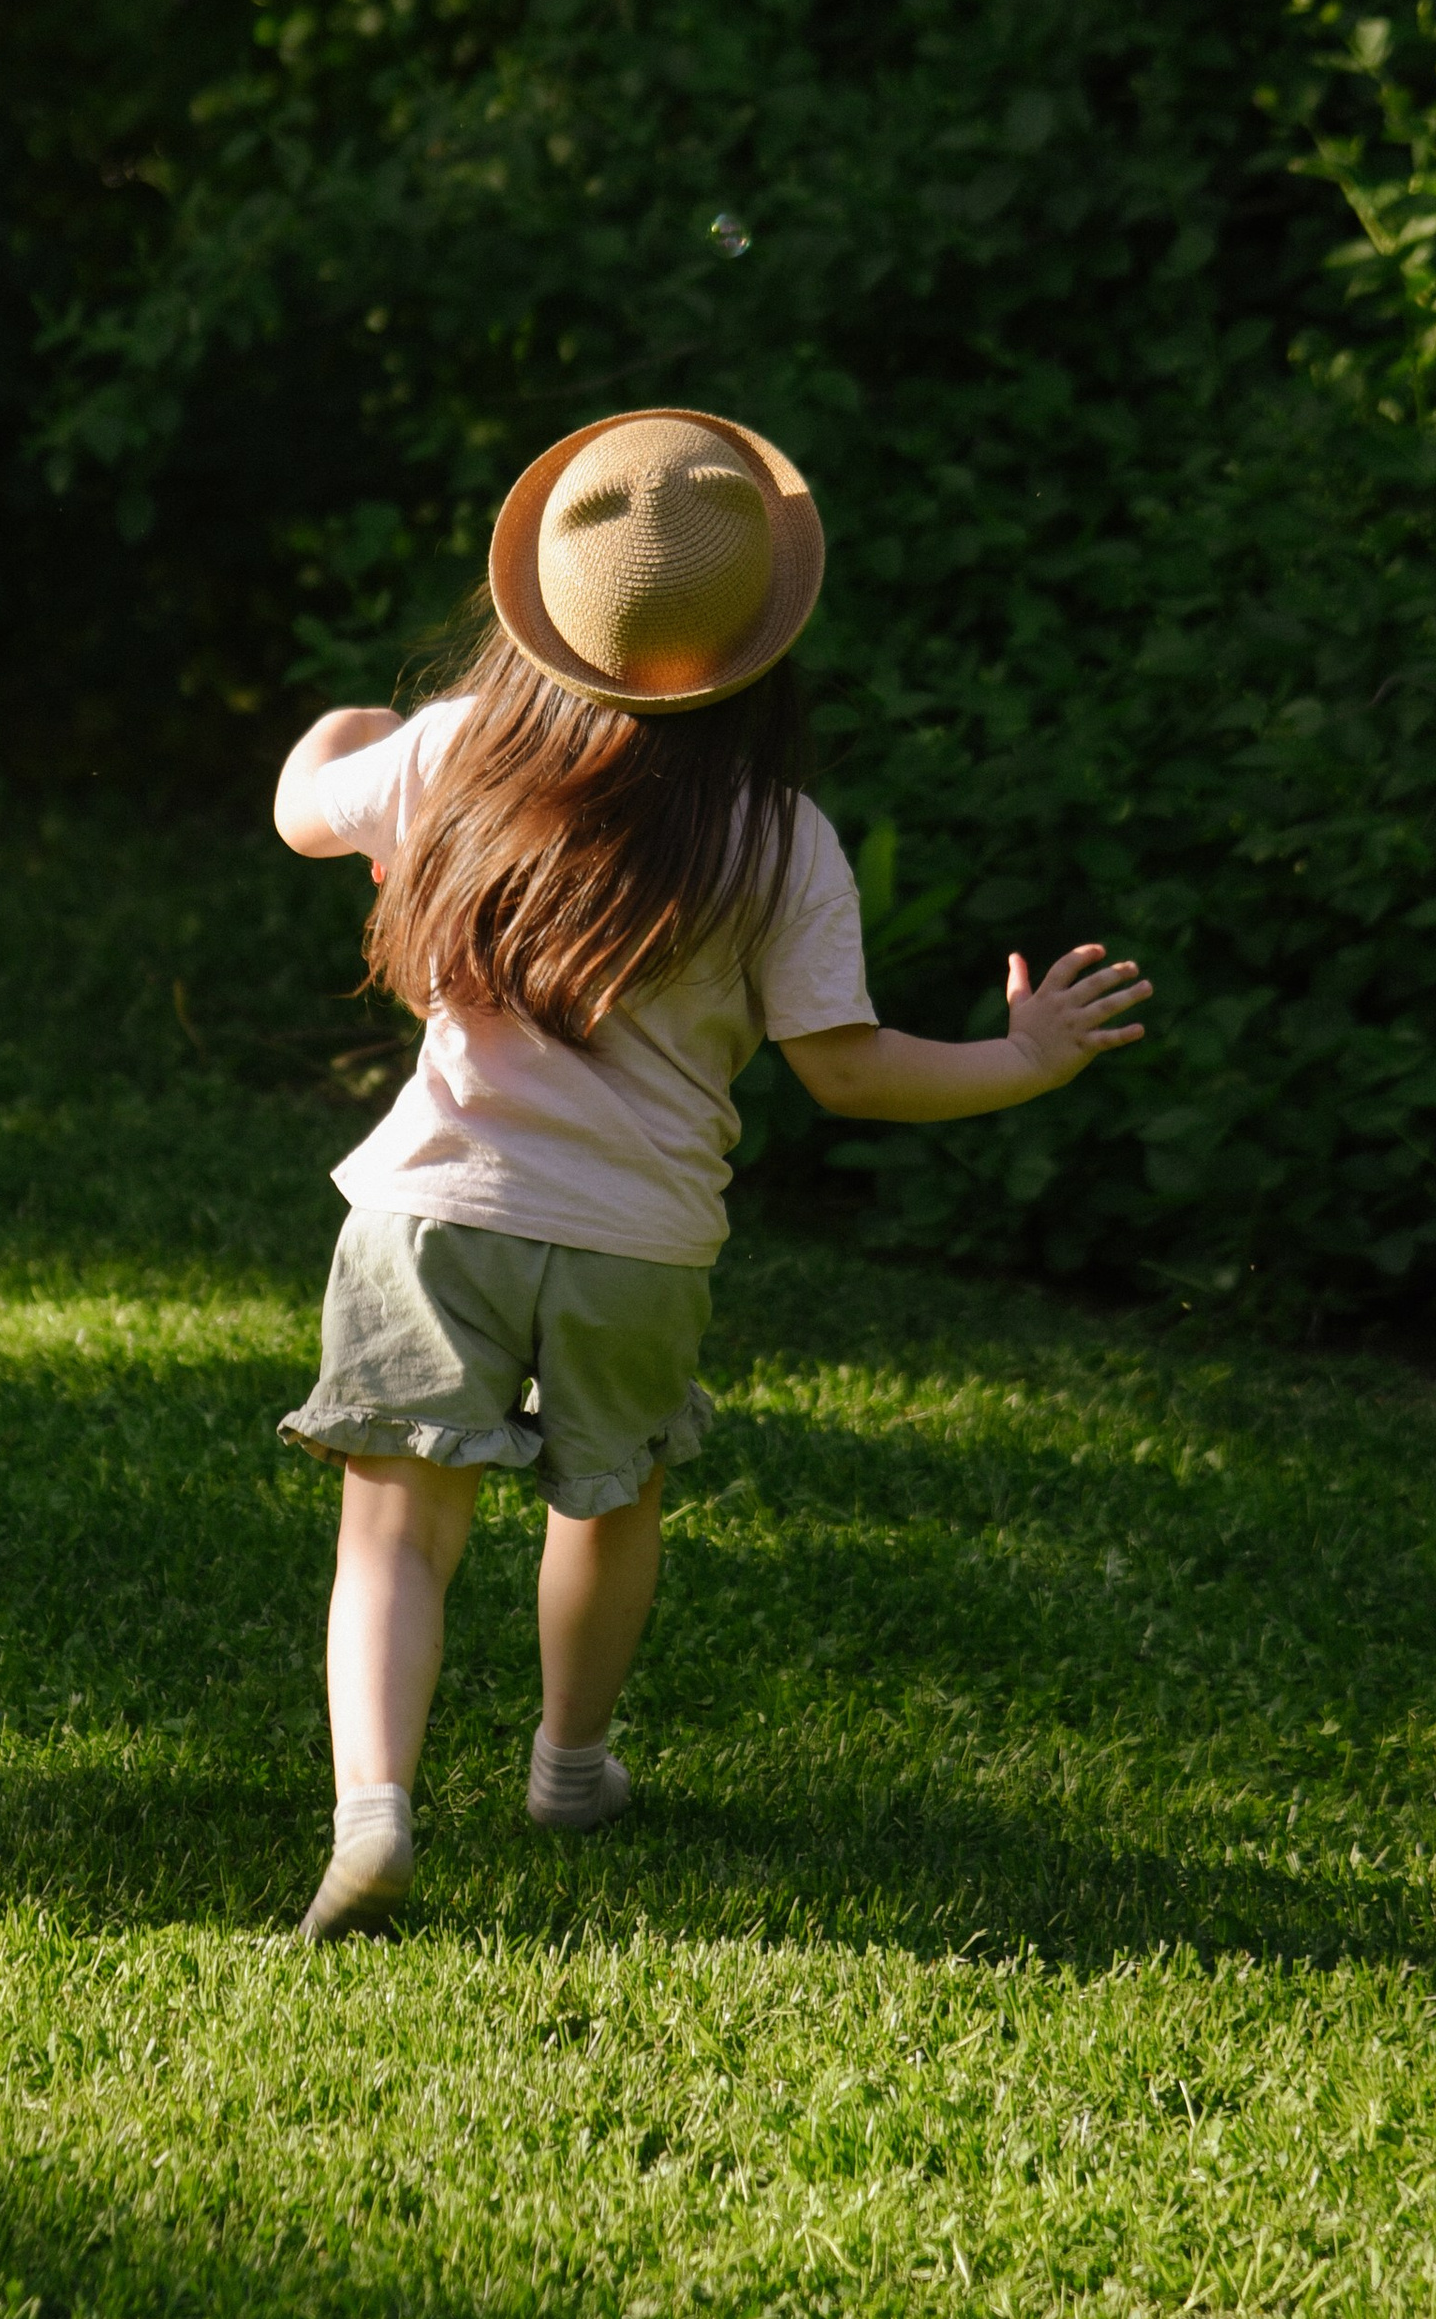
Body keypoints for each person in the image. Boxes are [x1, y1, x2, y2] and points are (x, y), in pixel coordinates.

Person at [271, 407, 1149, 1943]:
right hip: (638, 1246)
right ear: (761, 640)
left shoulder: (453, 753)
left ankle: (375, 1816)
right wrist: (1023, 1058)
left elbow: (301, 811)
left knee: (397, 1523)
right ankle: (569, 1764)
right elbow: (851, 1068)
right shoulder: (777, 839)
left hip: (430, 1219)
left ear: (545, 612)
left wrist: (341, 734)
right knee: (606, 1502)